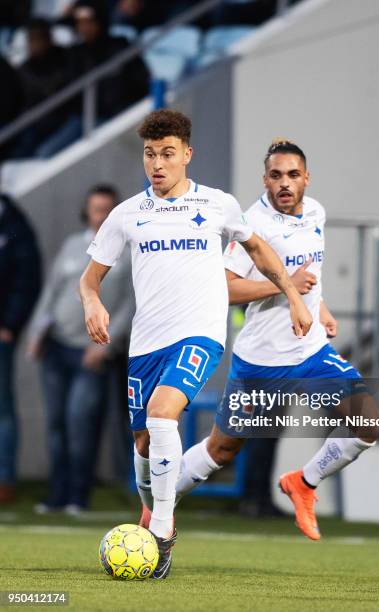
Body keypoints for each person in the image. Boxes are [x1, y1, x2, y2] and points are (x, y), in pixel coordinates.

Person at [79, 109, 312, 578]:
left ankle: (162, 533)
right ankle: (152, 511)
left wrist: (291, 292)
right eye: (149, 155)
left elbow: (258, 249)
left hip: (201, 333)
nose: (157, 164)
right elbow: (90, 280)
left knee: (163, 416)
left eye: (167, 154)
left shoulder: (217, 204)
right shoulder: (127, 215)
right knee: (144, 444)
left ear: (187, 154)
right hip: (147, 344)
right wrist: (92, 303)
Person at [148, 139, 379, 541]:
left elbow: (312, 271)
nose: (284, 183)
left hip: (309, 353)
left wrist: (319, 307)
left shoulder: (316, 213)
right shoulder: (252, 224)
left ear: (306, 178)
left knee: (367, 423)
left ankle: (303, 483)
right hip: (260, 364)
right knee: (222, 450)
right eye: (276, 176)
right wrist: (285, 287)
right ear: (265, 180)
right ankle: (155, 503)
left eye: (292, 175)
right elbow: (223, 288)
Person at [27, 185, 133, 514]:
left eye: (106, 209)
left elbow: (131, 304)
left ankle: (77, 496)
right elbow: (53, 290)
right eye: (95, 208)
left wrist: (107, 344)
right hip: (57, 346)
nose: (100, 215)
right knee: (57, 423)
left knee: (80, 423)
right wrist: (36, 331)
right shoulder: (73, 244)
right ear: (87, 211)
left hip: (92, 351)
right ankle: (56, 495)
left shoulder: (128, 251)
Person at [38, 0, 149, 158]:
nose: (84, 28)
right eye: (80, 23)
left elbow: (142, 82)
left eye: (89, 22)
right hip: (81, 119)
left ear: (100, 22)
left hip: (114, 118)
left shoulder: (120, 47)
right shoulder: (75, 54)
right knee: (46, 153)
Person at [0, 192, 41, 503]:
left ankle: (4, 481)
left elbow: (28, 277)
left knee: (2, 409)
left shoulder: (13, 221)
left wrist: (10, 325)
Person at [14, 18, 71, 158]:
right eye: (30, 39)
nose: (33, 44)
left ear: (48, 39)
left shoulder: (67, 60)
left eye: (37, 38)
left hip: (64, 119)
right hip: (35, 125)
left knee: (43, 153)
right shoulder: (24, 69)